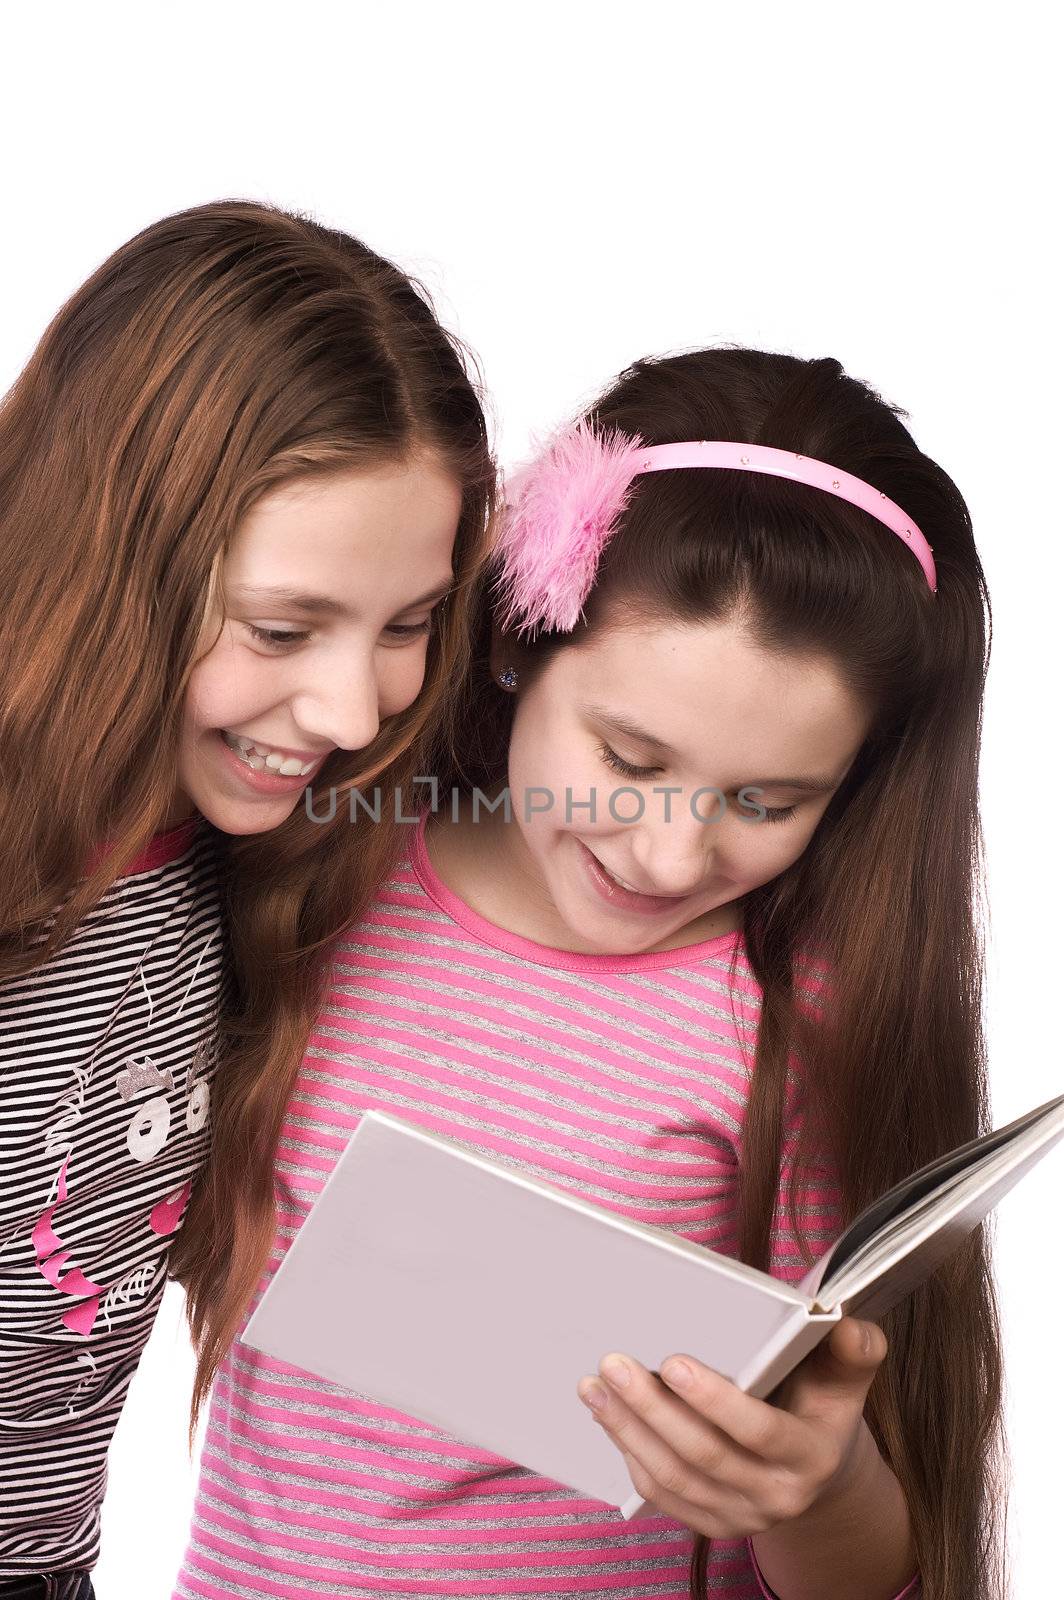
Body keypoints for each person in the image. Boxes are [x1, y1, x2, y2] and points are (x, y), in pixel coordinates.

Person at [174, 349, 1002, 1600]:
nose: (669, 852)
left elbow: (876, 1564)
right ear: (517, 648)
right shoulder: (323, 871)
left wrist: (816, 1487)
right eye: (625, 756)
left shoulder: (794, 1021)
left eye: (765, 801)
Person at [0, 198, 495, 1600]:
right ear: (105, 568)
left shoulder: (253, 860)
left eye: (407, 626)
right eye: (280, 630)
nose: (350, 707)